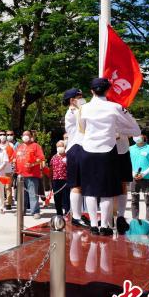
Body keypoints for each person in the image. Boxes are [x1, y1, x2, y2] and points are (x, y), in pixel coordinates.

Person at [79, 78, 141, 235]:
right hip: (107, 151)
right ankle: (105, 225)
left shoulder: (84, 108)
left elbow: (82, 129)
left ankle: (94, 224)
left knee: (90, 190)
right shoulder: (116, 107)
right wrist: (116, 128)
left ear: (92, 91)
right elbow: (136, 130)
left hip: (88, 150)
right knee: (107, 191)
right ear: (108, 90)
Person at [63, 88, 88, 228]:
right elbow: (84, 117)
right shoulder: (73, 112)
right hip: (75, 148)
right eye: (80, 96)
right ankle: (76, 216)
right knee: (76, 185)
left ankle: (80, 213)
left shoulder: (79, 111)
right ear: (73, 100)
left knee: (82, 185)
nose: (82, 99)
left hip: (82, 148)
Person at [14, 130, 45, 219]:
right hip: (20, 175)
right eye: (24, 135)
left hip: (32, 175)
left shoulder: (36, 146)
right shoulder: (19, 147)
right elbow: (14, 157)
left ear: (31, 136)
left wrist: (32, 164)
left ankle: (35, 211)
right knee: (22, 195)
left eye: (27, 135)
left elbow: (41, 158)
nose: (25, 136)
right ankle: (21, 211)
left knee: (33, 194)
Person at [129, 134, 149, 221]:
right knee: (134, 200)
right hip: (134, 178)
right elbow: (127, 163)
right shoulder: (130, 148)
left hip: (147, 178)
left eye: (138, 135)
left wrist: (144, 173)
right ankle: (135, 219)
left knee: (148, 200)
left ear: (144, 138)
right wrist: (133, 173)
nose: (136, 137)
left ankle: (148, 221)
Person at [50, 140, 70, 216]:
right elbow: (51, 169)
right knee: (57, 198)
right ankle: (59, 213)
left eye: (61, 146)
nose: (60, 148)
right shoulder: (54, 157)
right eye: (58, 146)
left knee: (66, 198)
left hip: (66, 181)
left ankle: (67, 212)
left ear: (64, 147)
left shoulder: (68, 156)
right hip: (56, 180)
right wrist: (50, 181)